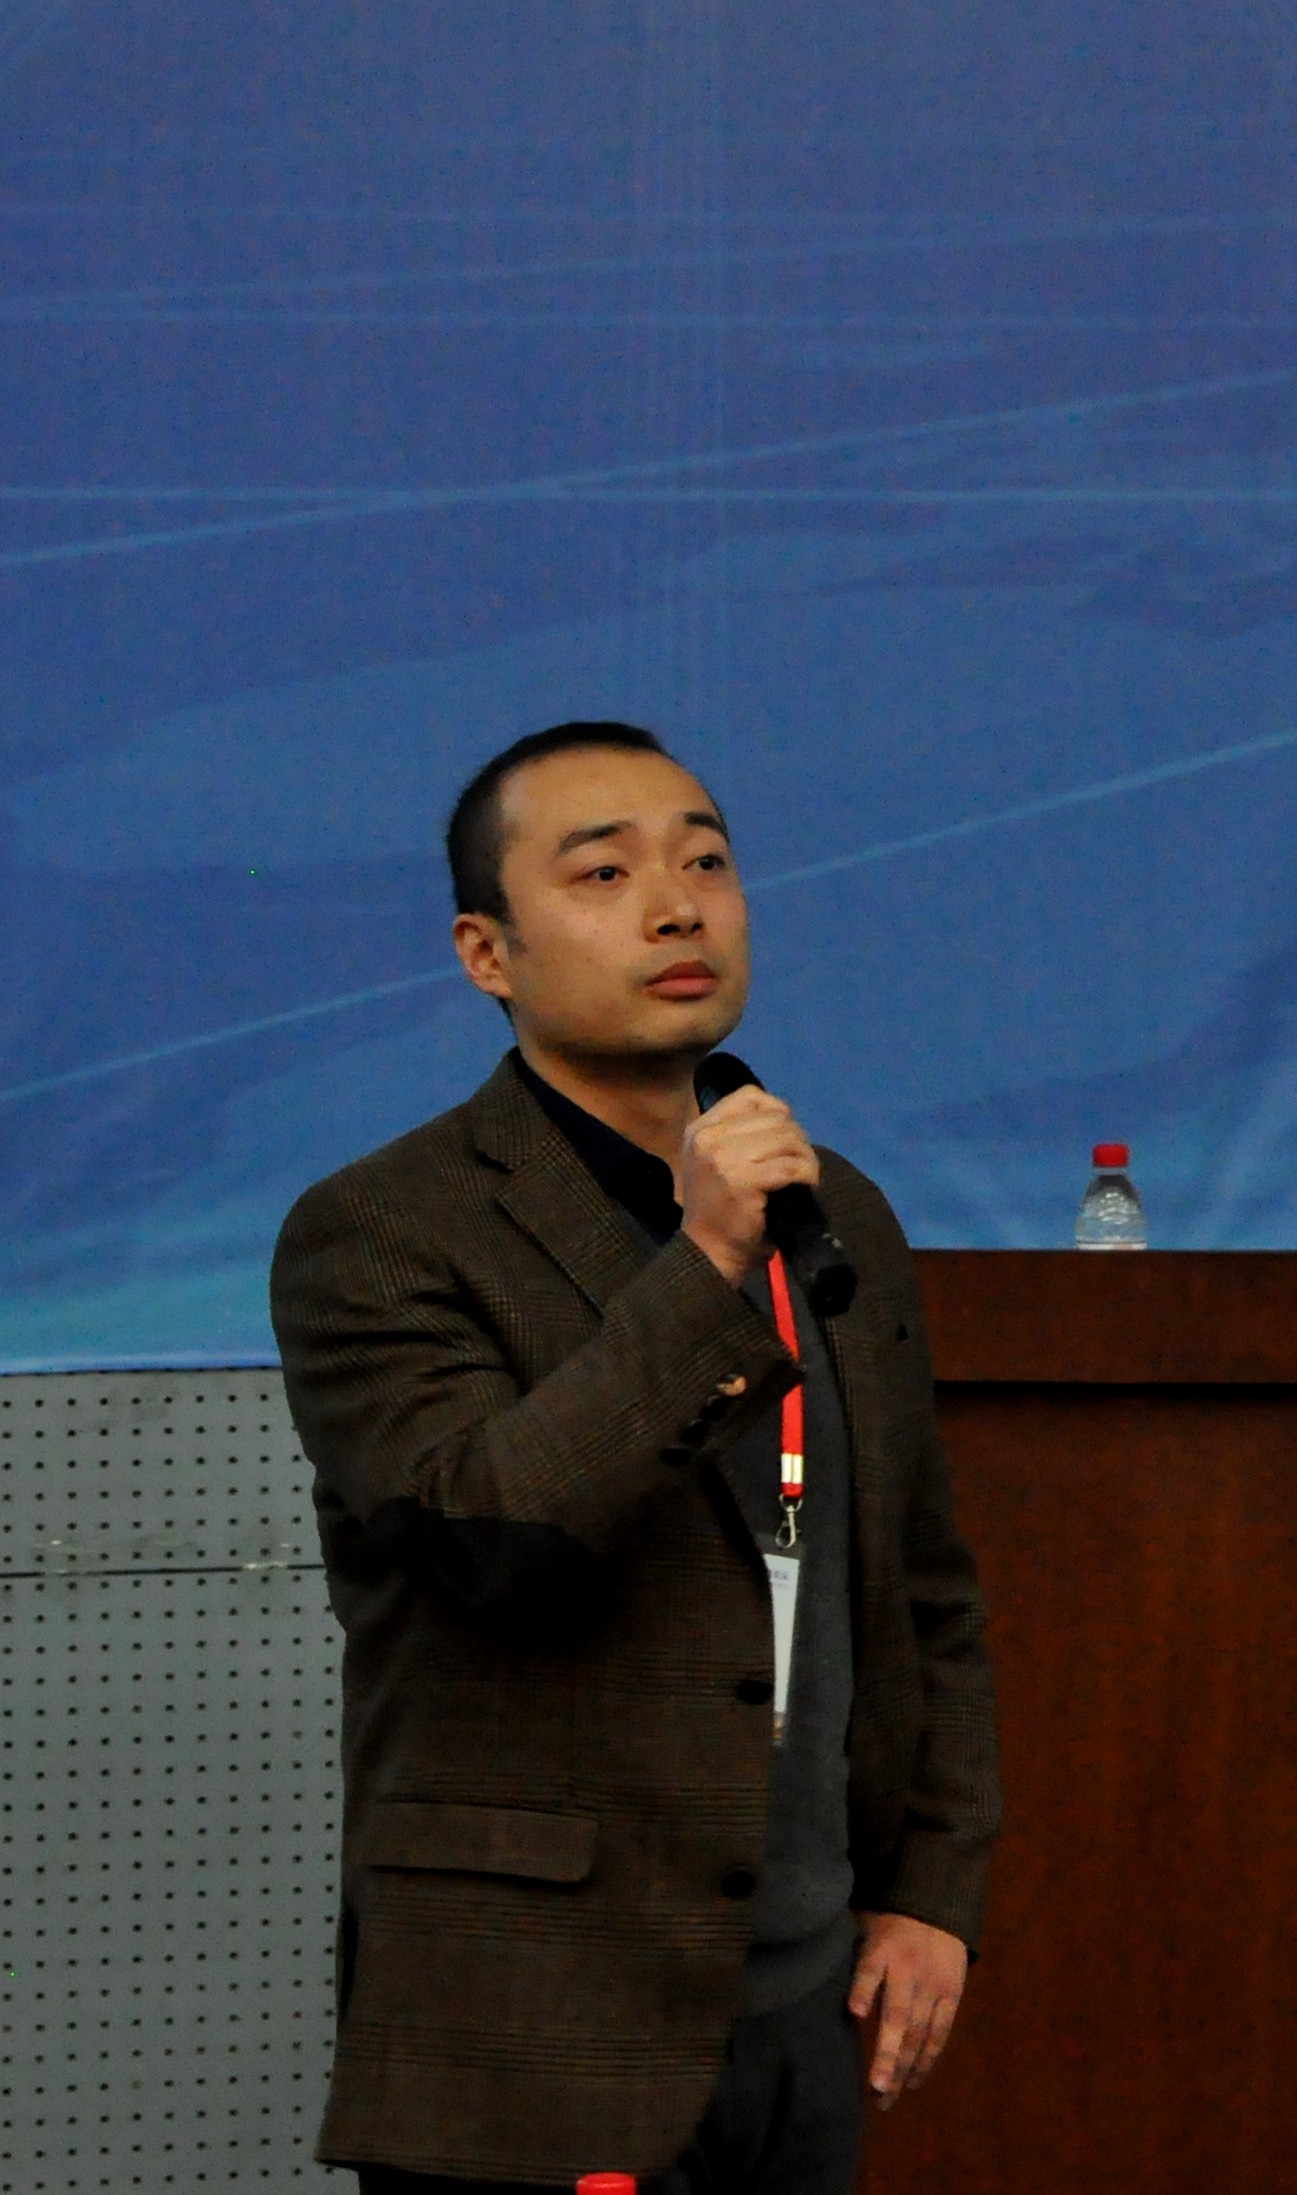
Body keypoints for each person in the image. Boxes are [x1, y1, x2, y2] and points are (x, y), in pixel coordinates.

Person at [270, 721, 1002, 2194]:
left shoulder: (835, 1210)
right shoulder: (382, 1231)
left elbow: (919, 1584)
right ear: (487, 953)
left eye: (706, 863)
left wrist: (934, 1887)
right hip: (537, 2017)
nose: (677, 908)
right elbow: (491, 1539)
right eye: (604, 874)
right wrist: (708, 1259)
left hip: (806, 2004)